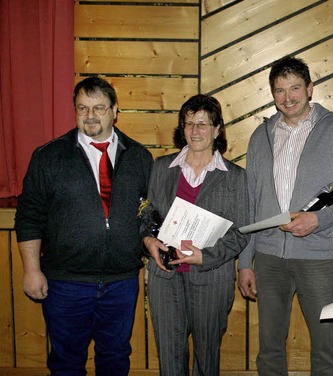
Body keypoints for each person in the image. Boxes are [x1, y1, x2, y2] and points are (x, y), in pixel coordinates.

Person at [14, 76, 154, 375]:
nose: (90, 115)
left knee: (115, 359)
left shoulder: (140, 156)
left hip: (121, 282)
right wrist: (31, 269)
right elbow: (28, 217)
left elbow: (148, 215)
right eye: (82, 108)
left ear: (115, 110)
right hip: (66, 283)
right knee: (66, 363)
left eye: (99, 108)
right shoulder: (49, 156)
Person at [237, 55, 333, 375]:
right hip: (268, 258)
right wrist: (245, 262)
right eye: (280, 91)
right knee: (269, 348)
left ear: (310, 89)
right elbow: (251, 201)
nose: (288, 98)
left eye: (295, 88)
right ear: (272, 94)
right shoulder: (260, 137)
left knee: (325, 348)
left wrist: (319, 220)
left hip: (320, 257)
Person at [142, 94, 249, 375]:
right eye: (189, 124)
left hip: (211, 278)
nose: (195, 131)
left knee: (207, 358)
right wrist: (147, 239)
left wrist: (205, 256)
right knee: (169, 357)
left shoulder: (236, 177)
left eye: (203, 124)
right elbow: (145, 214)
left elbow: (240, 233)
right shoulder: (160, 168)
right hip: (164, 277)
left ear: (217, 129)